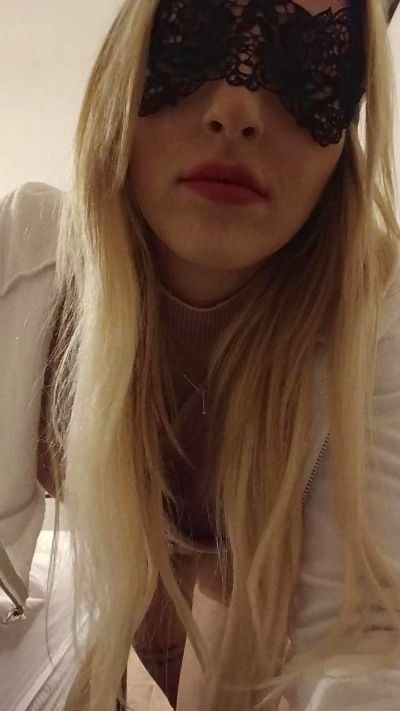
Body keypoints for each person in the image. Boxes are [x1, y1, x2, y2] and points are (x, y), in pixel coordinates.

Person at [1, 1, 400, 709]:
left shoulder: (376, 312)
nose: (236, 109)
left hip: (245, 553)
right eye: (191, 38)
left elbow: (362, 642)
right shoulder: (27, 262)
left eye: (307, 65)